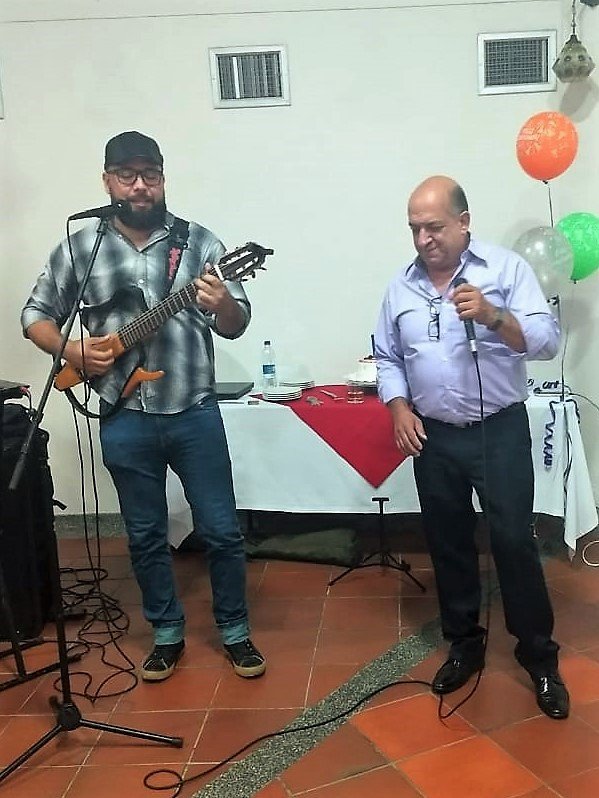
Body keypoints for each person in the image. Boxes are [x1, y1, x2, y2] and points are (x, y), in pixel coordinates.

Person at [21, 131, 266, 682]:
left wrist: (224, 301)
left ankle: (234, 630)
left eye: (149, 174)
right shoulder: (79, 249)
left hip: (193, 411)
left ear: (162, 177)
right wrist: (75, 349)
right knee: (146, 533)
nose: (139, 185)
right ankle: (166, 632)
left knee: (223, 530)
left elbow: (235, 325)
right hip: (123, 414)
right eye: (127, 175)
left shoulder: (199, 243)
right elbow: (34, 314)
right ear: (107, 180)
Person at [374, 175, 569, 719]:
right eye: (415, 229)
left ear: (464, 222)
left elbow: (547, 340)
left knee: (512, 541)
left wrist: (492, 315)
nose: (423, 239)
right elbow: (387, 356)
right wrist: (397, 406)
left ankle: (539, 656)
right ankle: (464, 644)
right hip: (433, 437)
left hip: (497, 430)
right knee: (448, 543)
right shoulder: (400, 287)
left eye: (434, 227)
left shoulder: (505, 271)